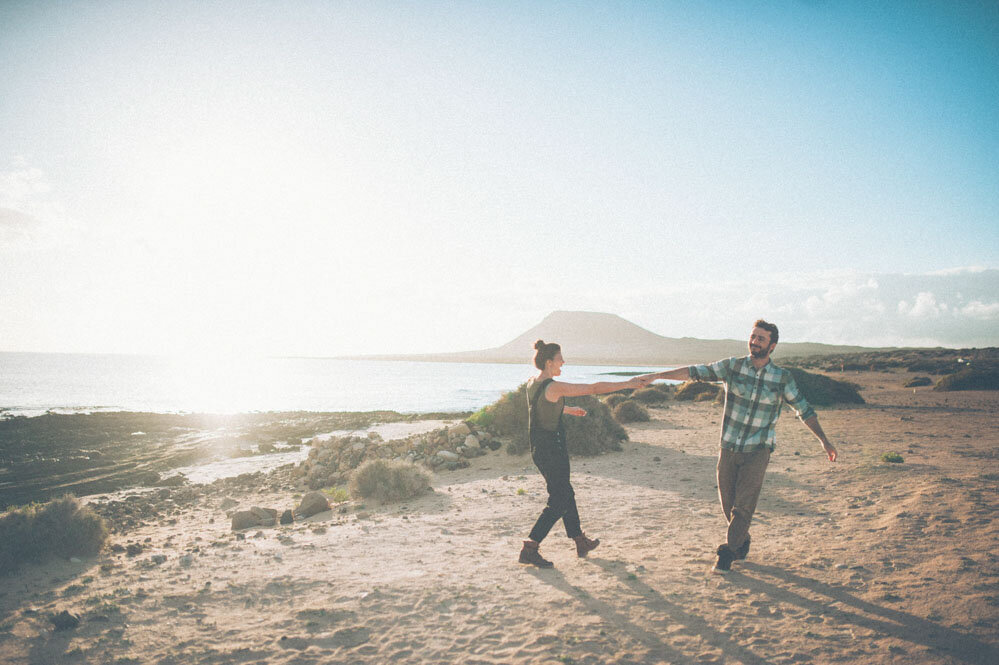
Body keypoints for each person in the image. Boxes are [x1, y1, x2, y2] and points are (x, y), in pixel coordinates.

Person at [639, 320, 838, 573]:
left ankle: (726, 553)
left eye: (761, 339)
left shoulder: (781, 378)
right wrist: (657, 376)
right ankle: (742, 541)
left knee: (743, 505)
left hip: (759, 449)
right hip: (729, 447)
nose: (754, 342)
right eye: (753, 337)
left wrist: (824, 440)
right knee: (728, 504)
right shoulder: (732, 367)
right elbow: (695, 372)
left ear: (772, 346)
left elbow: (803, 409)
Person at [519, 339, 650, 568]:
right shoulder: (554, 386)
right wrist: (627, 383)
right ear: (549, 362)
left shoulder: (532, 382)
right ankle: (530, 547)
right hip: (553, 449)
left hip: (539, 448)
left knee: (566, 493)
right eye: (560, 358)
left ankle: (580, 541)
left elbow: (538, 409)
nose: (563, 361)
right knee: (559, 499)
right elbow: (593, 389)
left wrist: (567, 409)